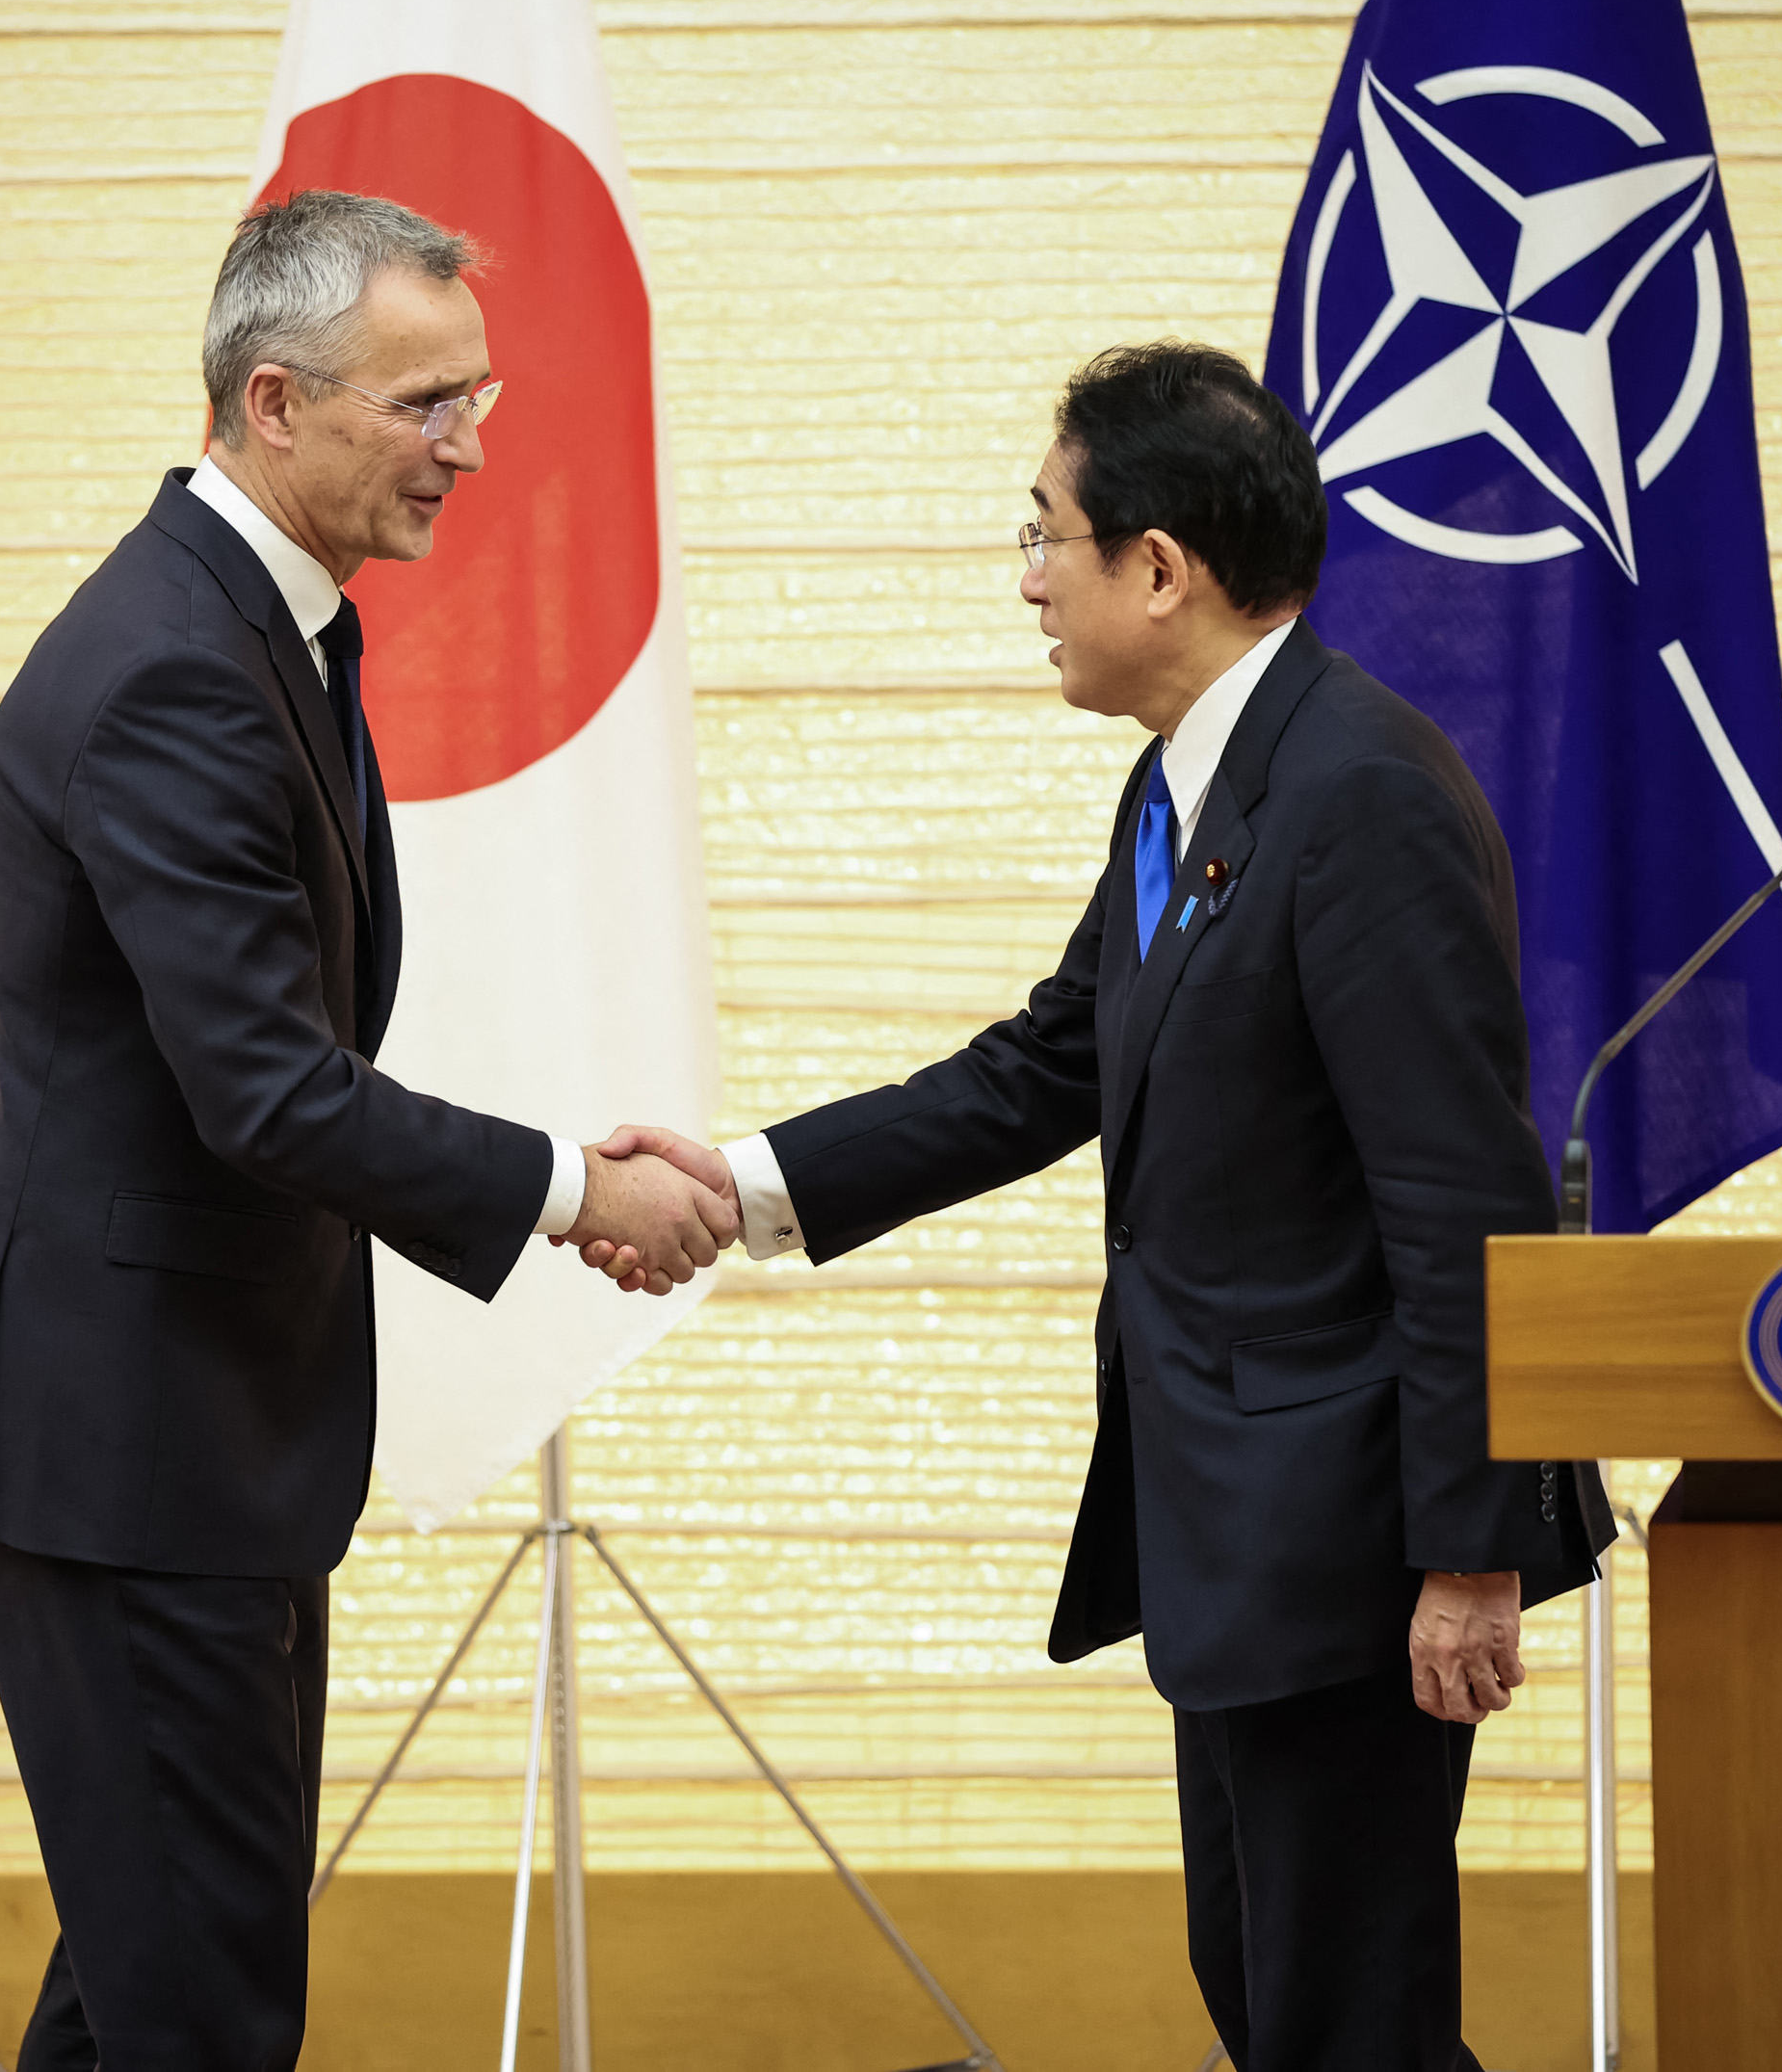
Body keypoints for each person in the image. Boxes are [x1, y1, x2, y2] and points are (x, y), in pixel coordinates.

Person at [589, 342, 1614, 2071]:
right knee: (1270, 1994)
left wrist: (1470, 1552)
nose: (1029, 578)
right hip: (1234, 1524)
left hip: (1352, 1536)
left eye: (1047, 533)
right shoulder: (1192, 786)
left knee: (1346, 2020)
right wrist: (745, 1180)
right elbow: (1044, 1067)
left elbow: (1463, 1205)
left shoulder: (1357, 794)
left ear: (1162, 564)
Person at [0, 189, 739, 2072]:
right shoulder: (174, 666)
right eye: (425, 401)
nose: (472, 443)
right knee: (198, 2007)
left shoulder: (264, 624)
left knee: (147, 1998)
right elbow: (265, 1089)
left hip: (196, 1436)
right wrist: (567, 1189)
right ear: (271, 401)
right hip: (127, 1451)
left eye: (480, 392)